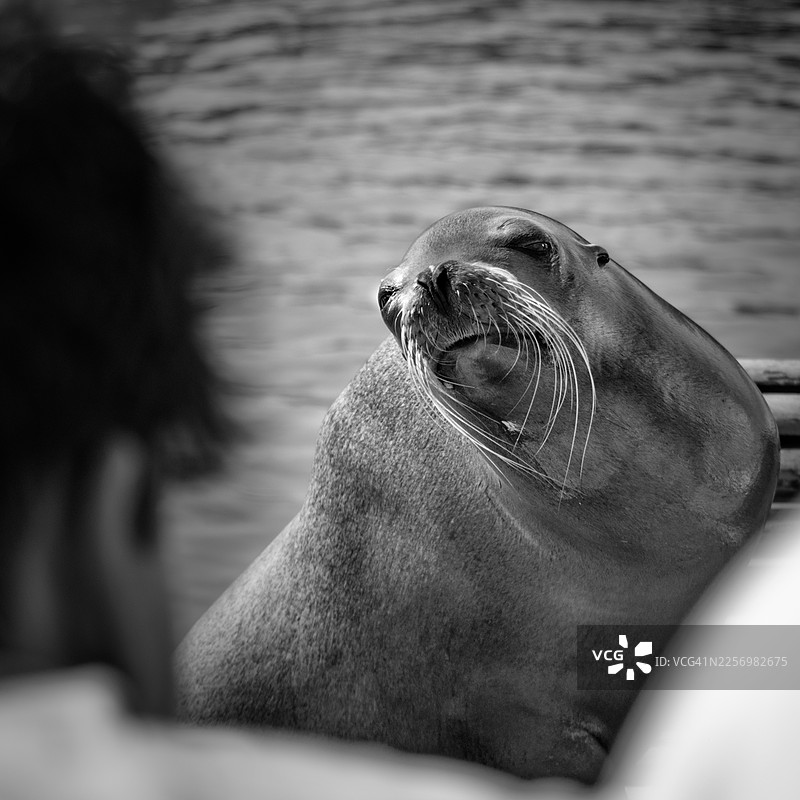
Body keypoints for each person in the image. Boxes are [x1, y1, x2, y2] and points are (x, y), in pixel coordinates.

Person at [0, 5, 796, 798]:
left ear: (595, 264)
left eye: (526, 252)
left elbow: (625, 653)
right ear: (117, 496)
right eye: (398, 303)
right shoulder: (495, 542)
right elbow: (558, 698)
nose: (438, 287)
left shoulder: (707, 427)